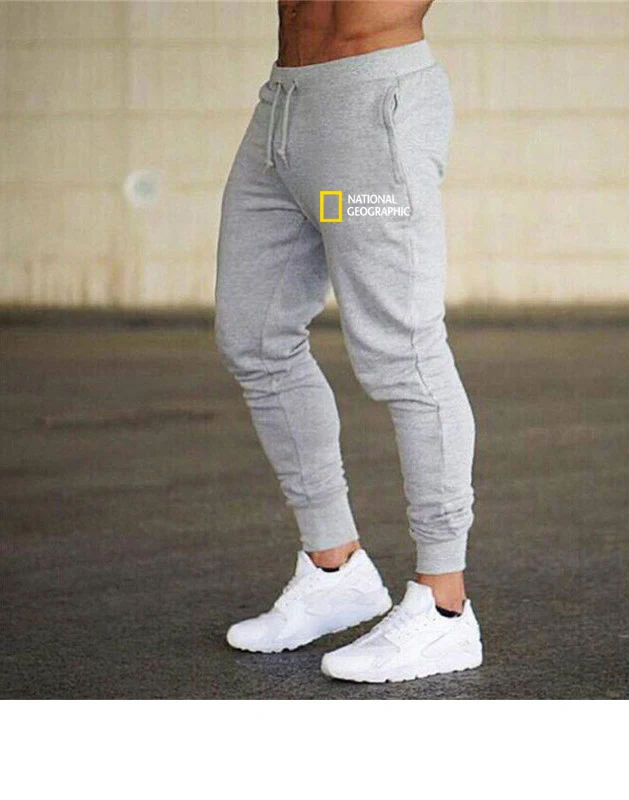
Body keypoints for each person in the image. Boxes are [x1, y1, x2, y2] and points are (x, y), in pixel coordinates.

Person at [214, 0, 482, 682]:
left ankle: (444, 606)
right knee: (255, 337)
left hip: (371, 115)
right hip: (283, 114)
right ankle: (335, 569)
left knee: (402, 354)